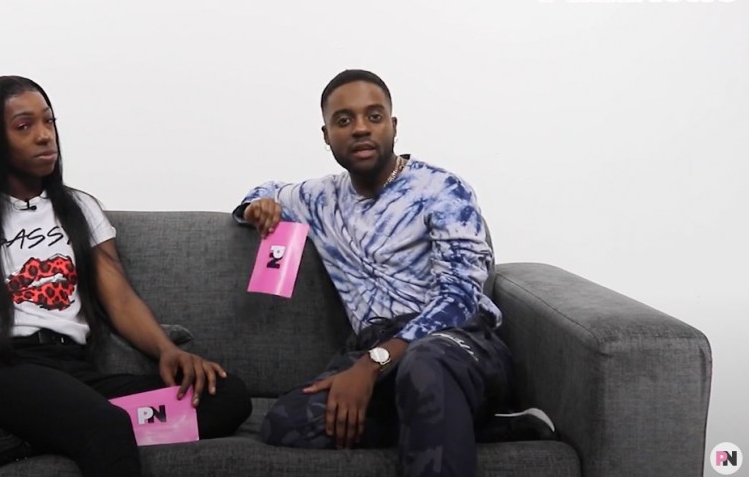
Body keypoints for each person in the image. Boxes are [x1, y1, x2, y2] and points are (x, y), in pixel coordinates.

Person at [0, 75, 252, 477]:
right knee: (105, 426)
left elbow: (120, 299)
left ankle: (31, 437)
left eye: (49, 121)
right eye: (24, 125)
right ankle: (81, 427)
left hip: (75, 370)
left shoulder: (79, 208)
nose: (44, 135)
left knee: (227, 398)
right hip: (4, 368)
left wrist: (166, 351)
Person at [234, 69, 552, 477]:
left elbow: (460, 299)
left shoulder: (443, 189)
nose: (361, 128)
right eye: (344, 120)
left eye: (374, 116)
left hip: (455, 342)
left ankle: (442, 408)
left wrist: (371, 364)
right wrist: (258, 206)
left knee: (425, 366)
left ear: (393, 125)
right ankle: (479, 425)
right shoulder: (319, 197)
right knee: (287, 420)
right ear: (327, 134)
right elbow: (263, 191)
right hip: (378, 348)